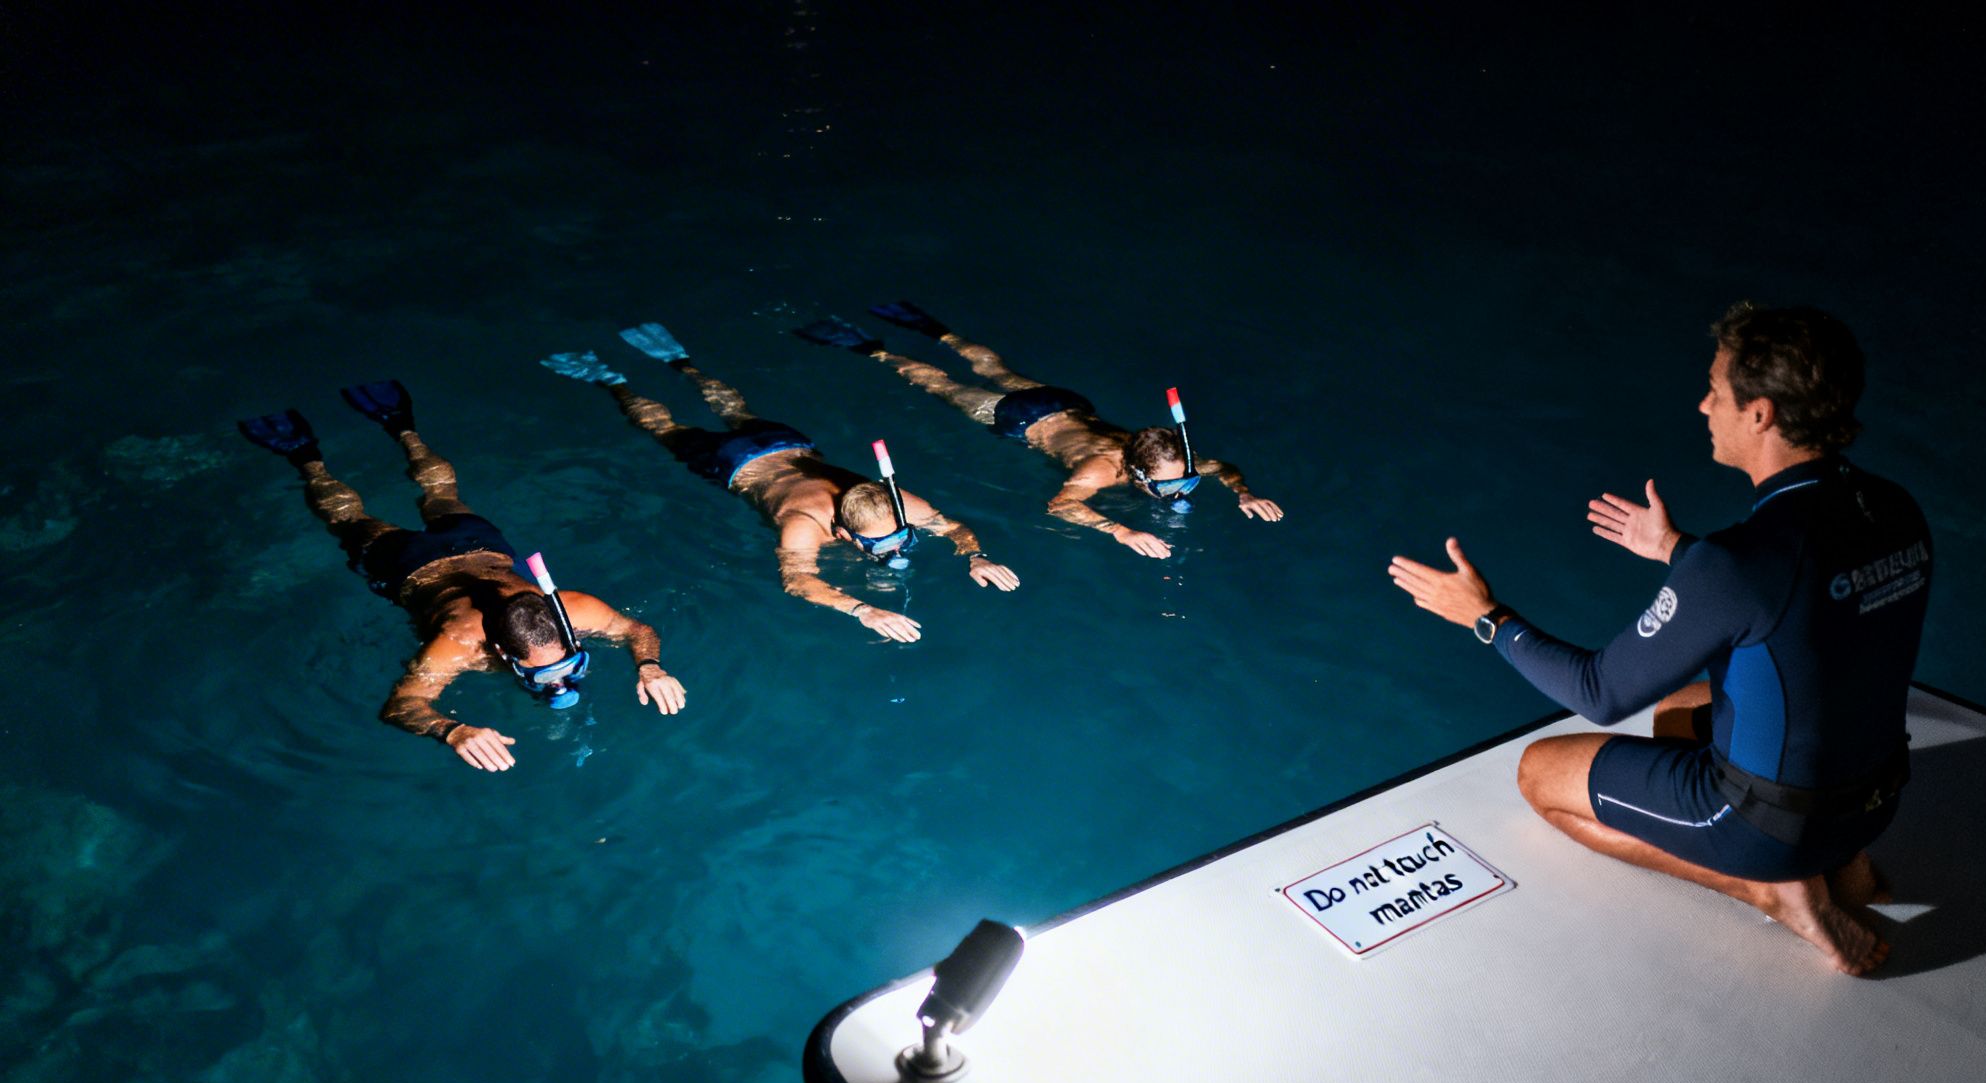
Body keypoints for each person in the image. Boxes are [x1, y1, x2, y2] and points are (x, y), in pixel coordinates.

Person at [1388, 303, 1932, 976]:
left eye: (1715, 390)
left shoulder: (1736, 563)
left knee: (1539, 773)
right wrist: (1677, 549)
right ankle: (1844, 864)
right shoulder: (1895, 508)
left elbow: (1600, 693)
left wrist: (1486, 618)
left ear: (1760, 414)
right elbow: (1809, 603)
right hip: (1877, 803)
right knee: (1678, 707)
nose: (1704, 405)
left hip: (1773, 833)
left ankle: (1770, 889)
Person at [238, 380, 686, 772]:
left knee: (441, 492)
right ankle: (306, 457)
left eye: (569, 665)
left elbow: (637, 630)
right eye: (540, 675)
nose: (559, 684)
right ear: (499, 651)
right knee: (349, 520)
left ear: (566, 629)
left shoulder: (575, 609)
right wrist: (451, 730)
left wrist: (650, 666)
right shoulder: (458, 644)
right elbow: (401, 706)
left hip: (477, 544)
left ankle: (402, 427)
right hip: (410, 564)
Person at [544, 327, 1019, 644]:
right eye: (880, 545)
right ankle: (614, 382)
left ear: (896, 511)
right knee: (668, 430)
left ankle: (683, 364)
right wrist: (863, 610)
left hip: (787, 444)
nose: (895, 547)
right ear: (843, 533)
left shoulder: (899, 504)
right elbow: (796, 581)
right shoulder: (802, 525)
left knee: (737, 412)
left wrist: (975, 554)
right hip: (736, 462)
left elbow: (952, 527)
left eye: (899, 536)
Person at [794, 302, 1283, 559]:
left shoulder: (1174, 457)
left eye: (1187, 481)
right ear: (1135, 472)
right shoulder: (1099, 471)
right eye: (1171, 486)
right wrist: (1118, 530)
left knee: (994, 366)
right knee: (942, 386)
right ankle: (875, 350)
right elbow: (1060, 505)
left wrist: (1242, 491)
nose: (1180, 490)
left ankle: (937, 330)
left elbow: (1222, 467)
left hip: (1068, 403)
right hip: (1021, 417)